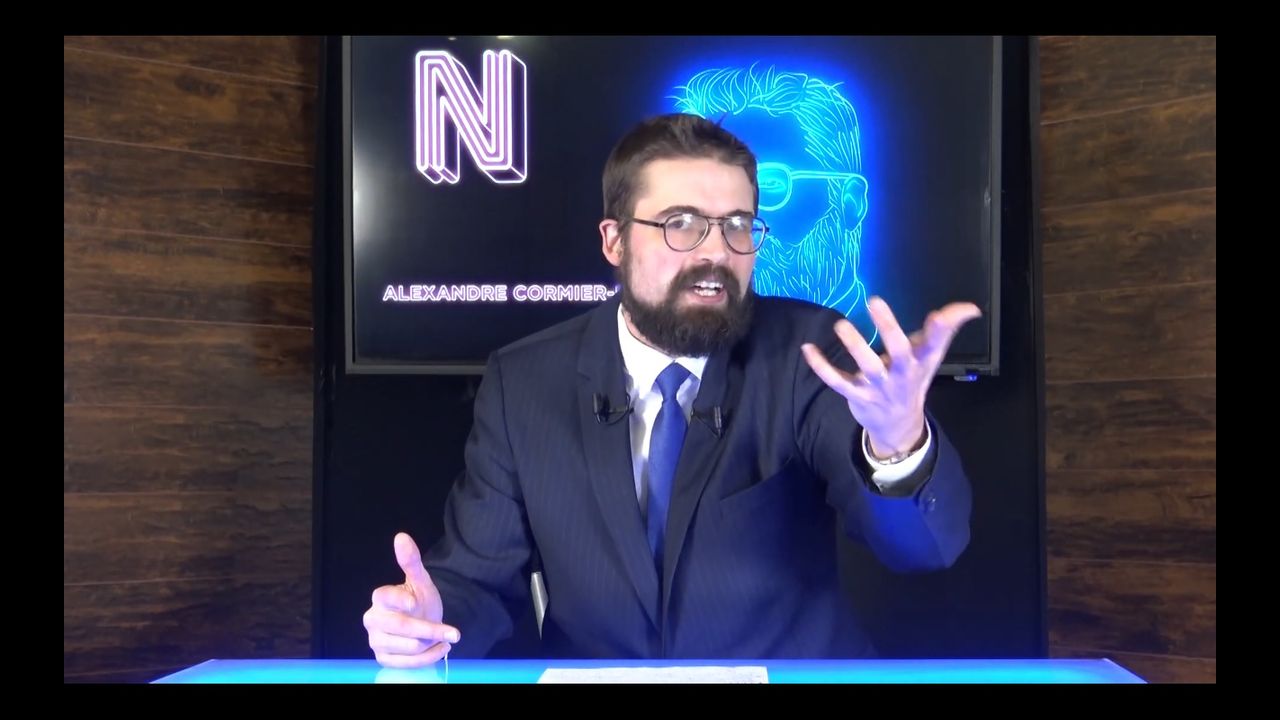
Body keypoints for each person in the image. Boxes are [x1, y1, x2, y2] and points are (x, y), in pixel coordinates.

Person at [363, 113, 980, 667]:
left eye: (738, 225)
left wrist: (898, 445)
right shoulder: (524, 383)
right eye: (681, 224)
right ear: (614, 241)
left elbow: (925, 546)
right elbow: (475, 580)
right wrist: (426, 623)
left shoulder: (810, 352)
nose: (716, 253)